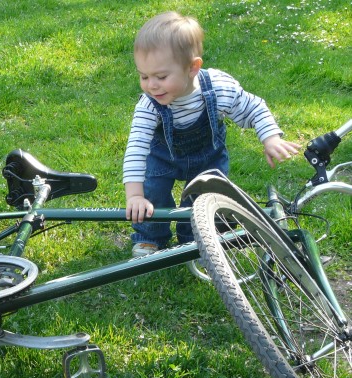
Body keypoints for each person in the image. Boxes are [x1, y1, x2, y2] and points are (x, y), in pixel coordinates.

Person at [123, 11, 301, 257]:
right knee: (152, 194)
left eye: (161, 77)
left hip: (208, 159)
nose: (151, 85)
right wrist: (135, 195)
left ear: (193, 67)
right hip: (162, 159)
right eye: (144, 76)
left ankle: (196, 238)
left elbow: (253, 107)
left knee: (208, 199)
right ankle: (150, 237)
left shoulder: (218, 88)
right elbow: (136, 148)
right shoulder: (149, 105)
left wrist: (270, 137)